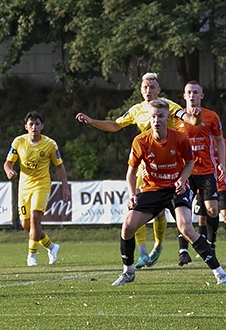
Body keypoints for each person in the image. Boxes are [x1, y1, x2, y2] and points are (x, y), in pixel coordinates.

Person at [76, 73, 198, 268]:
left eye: (152, 87)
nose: (148, 91)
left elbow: (188, 119)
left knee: (160, 214)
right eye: (145, 87)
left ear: (159, 90)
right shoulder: (137, 110)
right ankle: (142, 252)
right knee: (135, 206)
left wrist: (194, 118)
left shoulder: (168, 106)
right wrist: (92, 121)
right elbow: (115, 125)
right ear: (141, 90)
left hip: (170, 163)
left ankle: (158, 244)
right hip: (145, 165)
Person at [112, 100, 226, 286]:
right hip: (152, 189)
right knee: (127, 226)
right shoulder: (140, 141)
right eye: (153, 116)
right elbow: (131, 172)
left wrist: (182, 180)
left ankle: (220, 273)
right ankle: (128, 272)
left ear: (168, 117)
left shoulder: (180, 138)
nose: (156, 120)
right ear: (149, 118)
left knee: (186, 228)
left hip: (176, 189)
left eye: (160, 116)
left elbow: (190, 164)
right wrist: (132, 193)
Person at [3, 111, 72, 266]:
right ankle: (51, 247)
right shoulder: (18, 142)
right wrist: (9, 171)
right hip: (24, 187)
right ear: (26, 126)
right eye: (31, 124)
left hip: (42, 185)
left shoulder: (50, 144)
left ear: (42, 126)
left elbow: (59, 166)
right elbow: (8, 163)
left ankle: (31, 256)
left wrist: (65, 187)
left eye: (37, 124)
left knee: (35, 218)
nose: (34, 127)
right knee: (26, 225)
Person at [174, 82, 225, 265]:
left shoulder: (211, 116)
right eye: (189, 92)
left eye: (196, 92)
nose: (192, 95)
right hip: (185, 172)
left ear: (201, 95)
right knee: (183, 211)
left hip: (206, 170)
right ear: (184, 95)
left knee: (212, 209)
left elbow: (219, 140)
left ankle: (210, 243)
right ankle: (183, 251)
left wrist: (221, 164)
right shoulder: (176, 118)